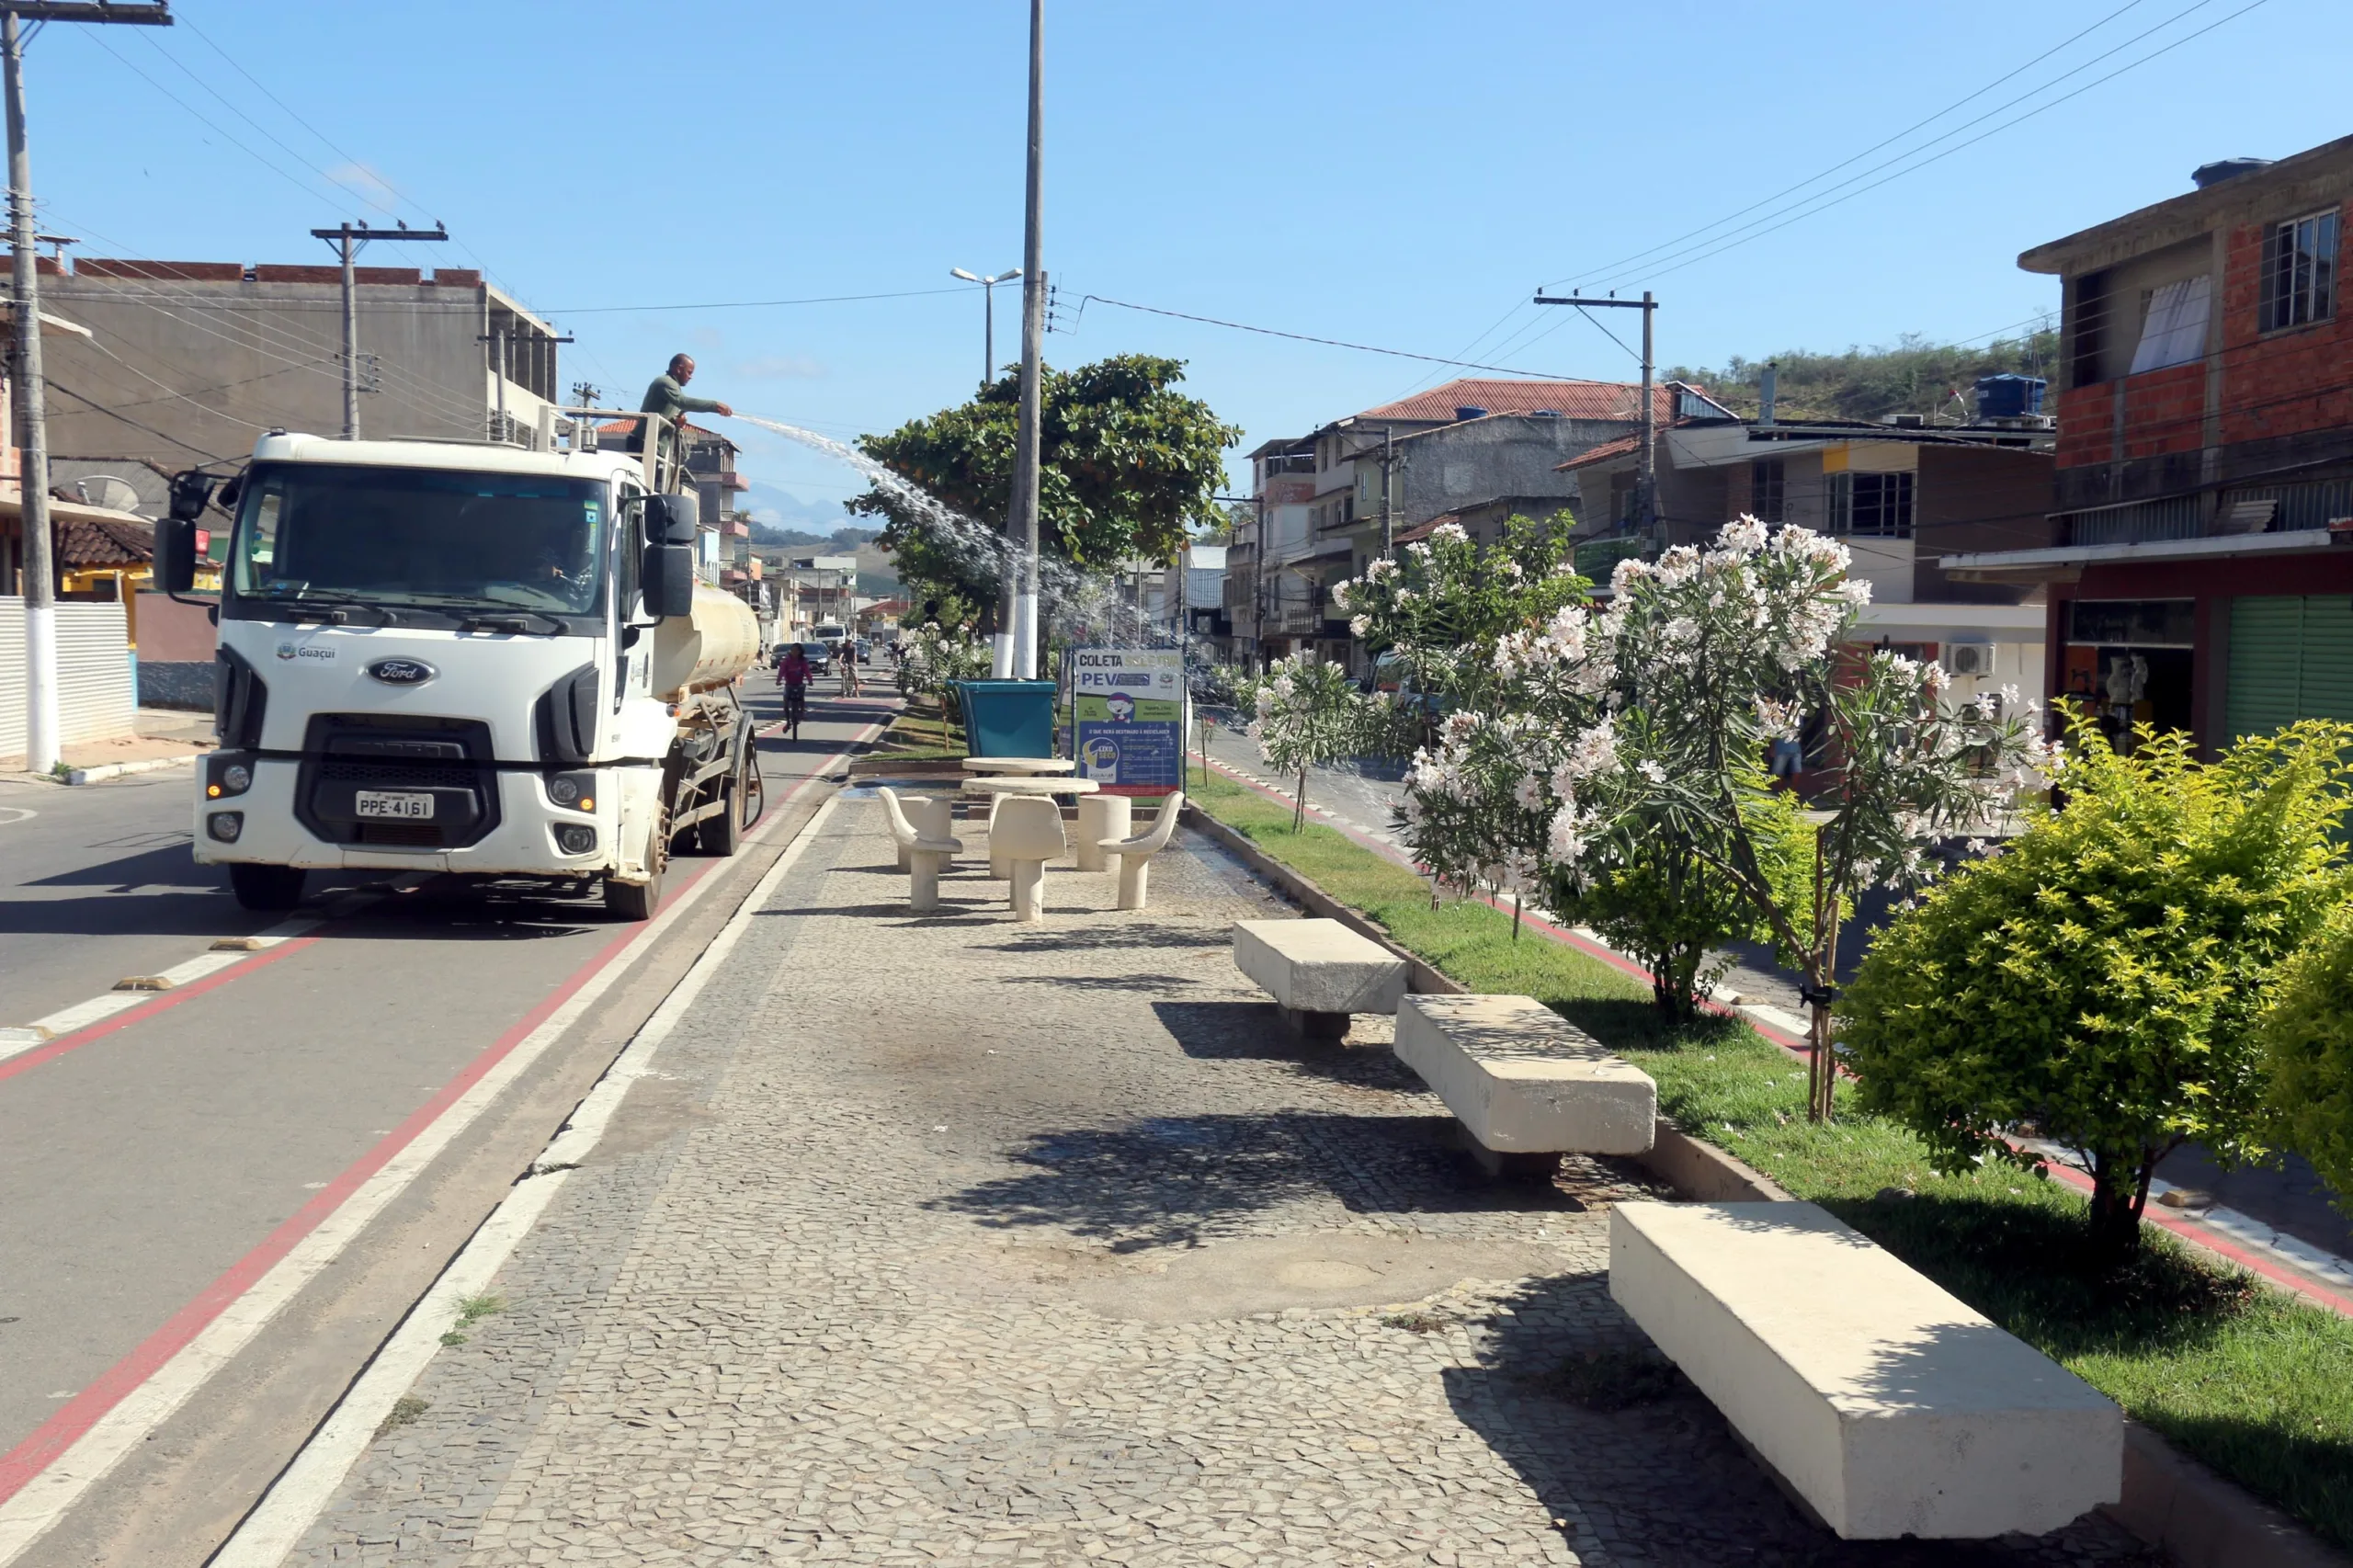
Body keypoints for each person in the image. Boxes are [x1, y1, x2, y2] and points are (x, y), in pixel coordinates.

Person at [631, 353, 733, 452]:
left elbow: (680, 407)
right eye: (689, 372)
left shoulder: (673, 387)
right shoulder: (665, 382)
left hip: (653, 447)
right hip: (642, 445)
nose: (690, 377)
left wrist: (677, 421)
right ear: (679, 369)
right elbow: (683, 402)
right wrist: (715, 406)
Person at [776, 643, 811, 739]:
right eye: (792, 650)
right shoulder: (786, 661)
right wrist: (778, 680)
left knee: (801, 697)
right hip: (789, 684)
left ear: (800, 652)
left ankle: (802, 712)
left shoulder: (803, 661)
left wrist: (810, 680)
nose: (794, 652)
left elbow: (807, 672)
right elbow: (782, 671)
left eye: (796, 650)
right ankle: (788, 722)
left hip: (799, 683)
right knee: (786, 702)